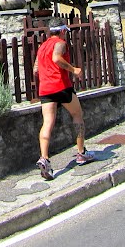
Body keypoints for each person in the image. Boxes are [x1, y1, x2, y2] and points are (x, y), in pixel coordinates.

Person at [33, 25, 94, 180]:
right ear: (61, 31)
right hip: (61, 86)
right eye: (65, 32)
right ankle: (81, 153)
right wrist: (73, 70)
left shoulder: (42, 47)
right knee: (78, 115)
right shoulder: (59, 43)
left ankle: (44, 158)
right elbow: (56, 58)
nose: (65, 35)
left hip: (45, 89)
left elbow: (35, 69)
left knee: (47, 122)